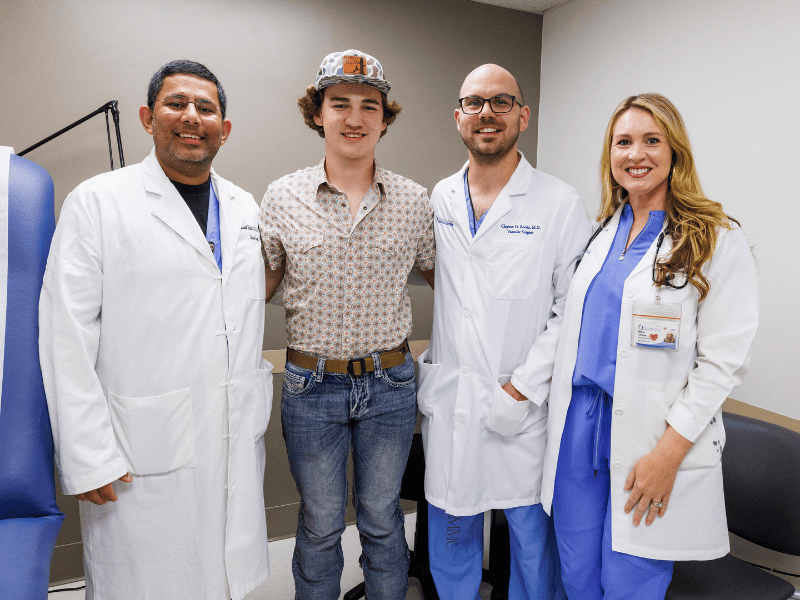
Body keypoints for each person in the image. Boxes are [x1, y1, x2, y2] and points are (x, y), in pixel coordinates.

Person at [39, 60, 272, 600]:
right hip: (136, 452)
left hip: (232, 436)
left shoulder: (243, 207)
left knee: (222, 579)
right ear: (148, 117)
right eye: (177, 104)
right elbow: (64, 336)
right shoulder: (97, 202)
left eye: (206, 108)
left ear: (224, 128)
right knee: (146, 582)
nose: (192, 117)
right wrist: (88, 454)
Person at [541, 93, 759, 599]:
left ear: (674, 149)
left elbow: (722, 363)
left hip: (652, 435)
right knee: (576, 574)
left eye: (651, 140)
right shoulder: (601, 234)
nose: (636, 154)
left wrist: (668, 454)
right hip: (577, 429)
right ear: (610, 155)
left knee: (629, 581)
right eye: (624, 142)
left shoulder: (714, 240)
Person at [258, 49, 435, 600]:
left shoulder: (414, 201)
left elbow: (455, 284)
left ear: (385, 118)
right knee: (320, 521)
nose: (354, 118)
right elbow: (251, 291)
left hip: (390, 385)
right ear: (317, 114)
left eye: (369, 106)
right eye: (339, 104)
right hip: (311, 388)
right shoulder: (282, 197)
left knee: (383, 518)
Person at [417, 64, 589, 599]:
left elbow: (572, 312)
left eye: (500, 102)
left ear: (522, 115)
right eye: (474, 103)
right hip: (452, 398)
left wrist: (522, 387)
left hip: (523, 404)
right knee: (450, 531)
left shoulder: (560, 204)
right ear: (458, 117)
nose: (486, 113)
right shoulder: (439, 198)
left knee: (531, 541)